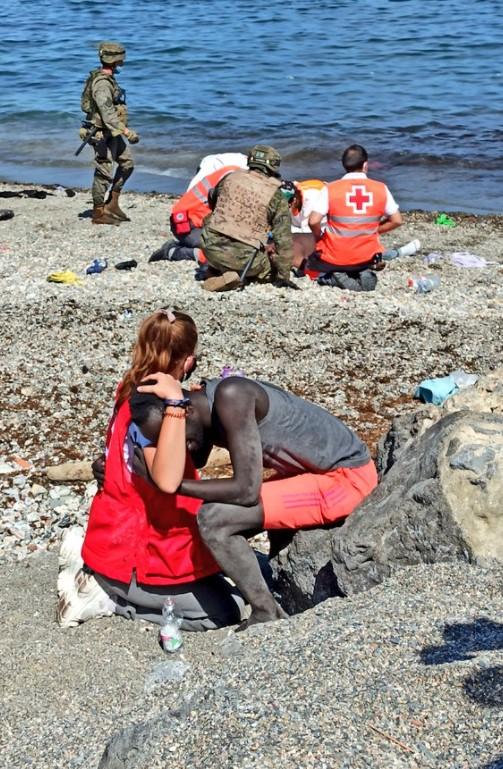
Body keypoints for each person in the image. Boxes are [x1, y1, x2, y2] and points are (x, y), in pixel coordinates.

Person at [131, 375, 378, 629]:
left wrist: (173, 488)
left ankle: (265, 611)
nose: (179, 446)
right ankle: (273, 591)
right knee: (214, 514)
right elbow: (199, 461)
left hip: (346, 480)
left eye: (175, 436)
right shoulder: (205, 403)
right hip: (313, 475)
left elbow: (246, 490)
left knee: (213, 519)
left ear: (188, 410)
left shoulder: (231, 397)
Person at [57, 309, 245, 631]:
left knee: (250, 574)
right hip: (136, 555)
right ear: (186, 360)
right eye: (192, 356)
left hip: (115, 536)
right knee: (229, 611)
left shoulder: (129, 386)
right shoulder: (158, 411)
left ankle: (92, 565)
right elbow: (168, 481)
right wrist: (175, 404)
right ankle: (108, 598)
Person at [199, 145, 297, 292]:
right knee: (268, 268)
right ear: (273, 167)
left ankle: (216, 270)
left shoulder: (230, 178)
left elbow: (213, 201)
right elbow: (283, 240)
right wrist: (283, 276)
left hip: (209, 249)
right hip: (244, 261)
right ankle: (234, 274)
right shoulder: (276, 195)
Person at [307, 144, 403, 291]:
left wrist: (319, 237)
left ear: (344, 165)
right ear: (365, 165)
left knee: (312, 262)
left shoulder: (330, 189)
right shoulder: (380, 188)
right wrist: (374, 230)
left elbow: (313, 221)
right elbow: (397, 220)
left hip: (335, 256)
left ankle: (337, 277)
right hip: (367, 256)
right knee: (361, 264)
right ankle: (360, 272)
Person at [80, 41, 140, 226]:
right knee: (104, 172)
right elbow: (107, 112)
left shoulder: (108, 79)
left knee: (127, 164)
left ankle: (112, 203)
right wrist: (126, 131)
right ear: (116, 60)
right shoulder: (102, 84)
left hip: (110, 132)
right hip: (100, 133)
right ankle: (98, 213)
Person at [149, 164, 242, 263]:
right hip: (186, 224)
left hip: (192, 220)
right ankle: (173, 252)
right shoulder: (231, 179)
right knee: (222, 255)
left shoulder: (235, 172)